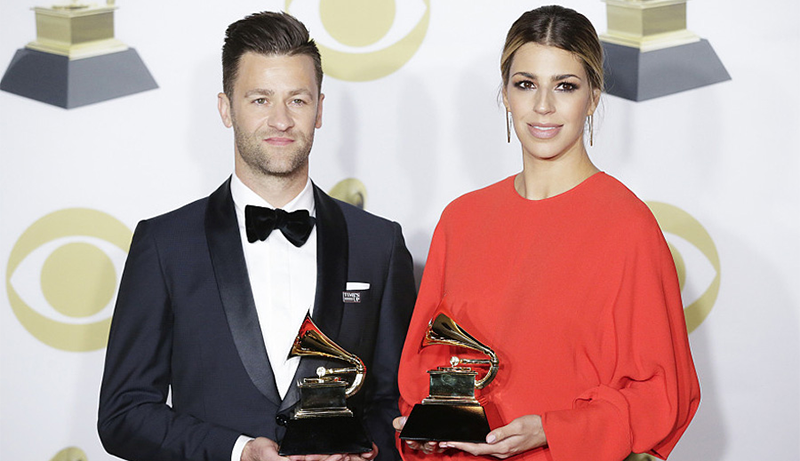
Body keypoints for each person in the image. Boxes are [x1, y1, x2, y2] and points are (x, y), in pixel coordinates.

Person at [97, 11, 416, 461]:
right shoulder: (165, 245)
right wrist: (238, 451)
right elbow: (123, 414)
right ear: (227, 109)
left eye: (298, 100)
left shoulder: (378, 245)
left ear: (320, 109)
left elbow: (394, 400)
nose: (281, 120)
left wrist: (362, 451)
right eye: (260, 99)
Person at [392, 5, 700, 461]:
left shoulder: (627, 227)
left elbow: (663, 397)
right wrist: (423, 426)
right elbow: (424, 369)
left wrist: (552, 430)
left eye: (565, 86)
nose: (543, 106)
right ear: (506, 94)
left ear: (593, 97)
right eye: (526, 84)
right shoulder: (462, 219)